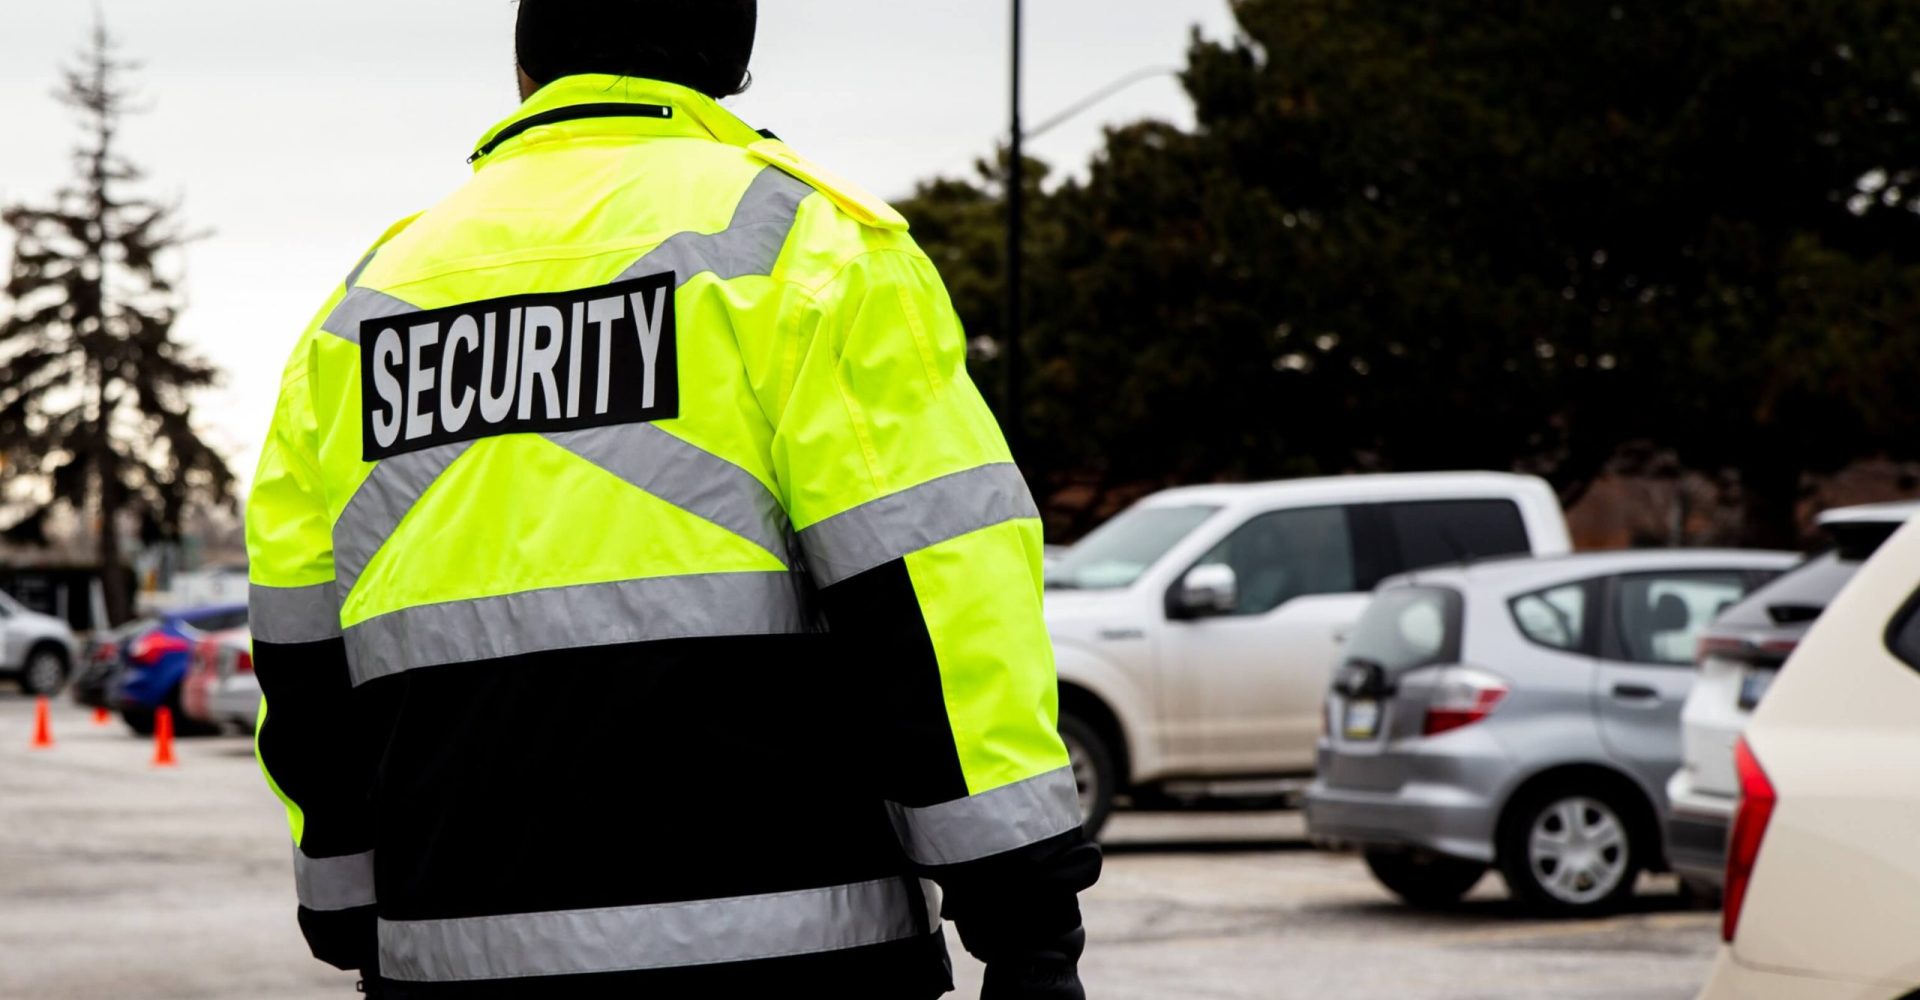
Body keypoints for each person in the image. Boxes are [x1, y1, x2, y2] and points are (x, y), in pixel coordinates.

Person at [243, 1, 1101, 997]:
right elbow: (934, 590)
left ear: (528, 74)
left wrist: (351, 900)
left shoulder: (363, 309)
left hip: (454, 954)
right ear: (730, 68)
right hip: (788, 957)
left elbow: (302, 650)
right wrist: (1026, 915)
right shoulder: (802, 249)